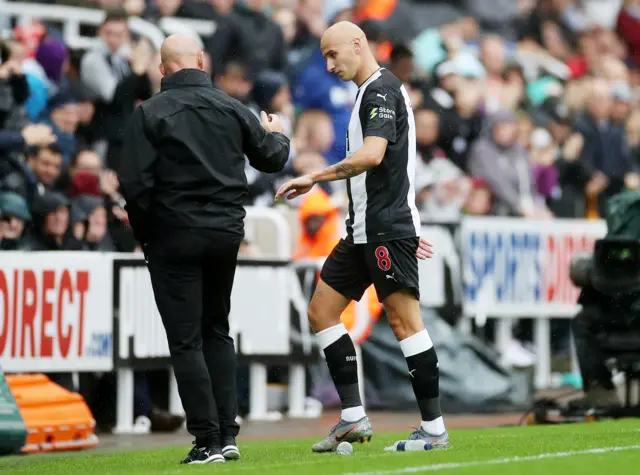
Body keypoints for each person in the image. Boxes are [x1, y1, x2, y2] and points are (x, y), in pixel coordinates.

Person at [275, 21, 447, 453]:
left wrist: (315, 176)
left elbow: (373, 156)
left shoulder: (381, 90)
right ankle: (352, 418)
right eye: (324, 57)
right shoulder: (368, 91)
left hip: (386, 229)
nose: (330, 65)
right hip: (364, 230)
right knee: (321, 311)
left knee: (405, 321)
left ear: (358, 44)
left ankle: (434, 429)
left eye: (334, 55)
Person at [118, 34, 290, 465]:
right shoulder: (233, 107)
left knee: (186, 339)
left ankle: (206, 440)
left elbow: (134, 184)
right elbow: (271, 158)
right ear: (201, 61)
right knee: (217, 329)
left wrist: (146, 233)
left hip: (173, 233)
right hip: (225, 232)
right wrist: (278, 134)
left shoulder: (150, 113)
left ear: (162, 70)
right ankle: (228, 435)